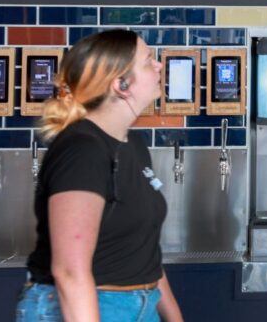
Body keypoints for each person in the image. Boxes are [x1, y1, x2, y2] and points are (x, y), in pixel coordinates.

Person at [16, 29, 183, 322]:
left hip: (141, 304)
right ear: (121, 84)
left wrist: (173, 317)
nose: (158, 65)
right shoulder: (82, 151)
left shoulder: (134, 146)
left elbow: (142, 252)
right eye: (148, 61)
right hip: (90, 305)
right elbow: (70, 271)